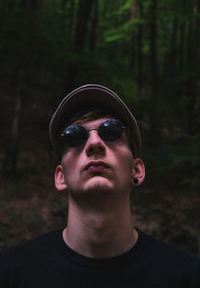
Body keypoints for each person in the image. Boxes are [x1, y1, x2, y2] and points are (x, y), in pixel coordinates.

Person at [0, 84, 199, 288]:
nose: (94, 143)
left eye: (111, 131)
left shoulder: (186, 277)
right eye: (74, 136)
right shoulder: (10, 274)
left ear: (136, 170)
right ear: (60, 177)